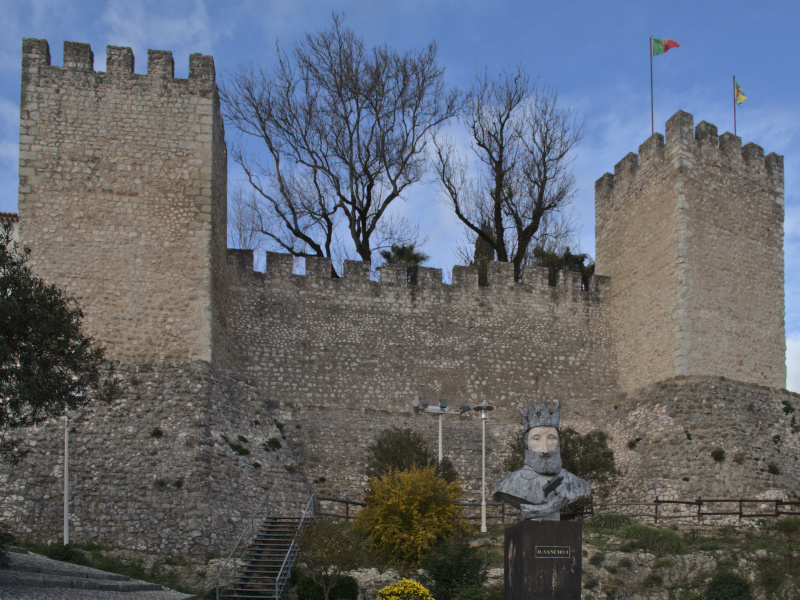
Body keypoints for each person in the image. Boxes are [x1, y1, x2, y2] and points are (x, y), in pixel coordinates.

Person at [494, 401, 590, 520]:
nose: (545, 449)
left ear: (559, 443)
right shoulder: (507, 484)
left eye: (551, 438)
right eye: (536, 439)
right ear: (527, 444)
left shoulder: (576, 484)